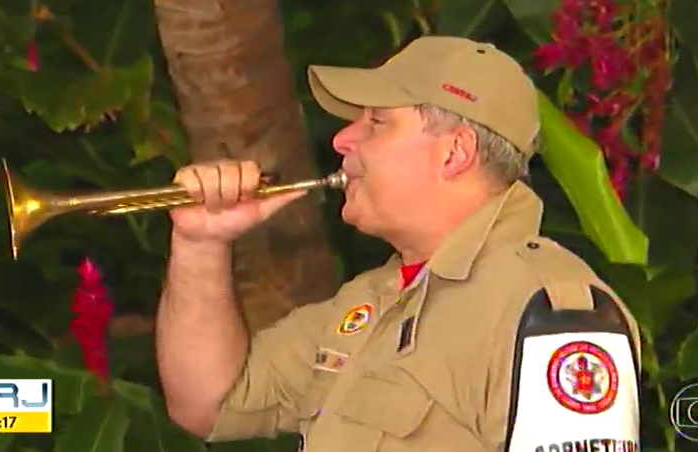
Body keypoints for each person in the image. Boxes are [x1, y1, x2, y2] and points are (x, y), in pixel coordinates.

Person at [156, 35, 642, 452]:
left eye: (375, 123)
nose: (343, 140)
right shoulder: (371, 302)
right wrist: (201, 244)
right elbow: (209, 405)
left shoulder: (549, 310)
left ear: (454, 152)